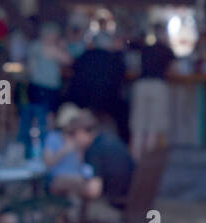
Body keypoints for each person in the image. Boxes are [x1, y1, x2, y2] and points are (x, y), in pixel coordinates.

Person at [21, 21, 71, 157]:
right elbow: (67, 60)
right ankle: (44, 147)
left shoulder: (35, 46)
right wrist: (63, 47)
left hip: (40, 87)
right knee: (45, 118)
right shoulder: (45, 47)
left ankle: (39, 146)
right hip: (44, 88)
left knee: (41, 117)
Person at [67, 31, 128, 138]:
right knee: (123, 112)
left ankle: (74, 137)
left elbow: (74, 69)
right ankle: (123, 142)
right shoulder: (115, 58)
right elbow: (121, 76)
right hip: (107, 100)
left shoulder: (85, 55)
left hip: (82, 98)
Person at [131, 23, 176, 158]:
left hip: (141, 85)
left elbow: (136, 66)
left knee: (138, 127)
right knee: (153, 128)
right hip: (158, 86)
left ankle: (135, 161)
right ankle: (147, 163)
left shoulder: (145, 49)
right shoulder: (167, 51)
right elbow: (175, 70)